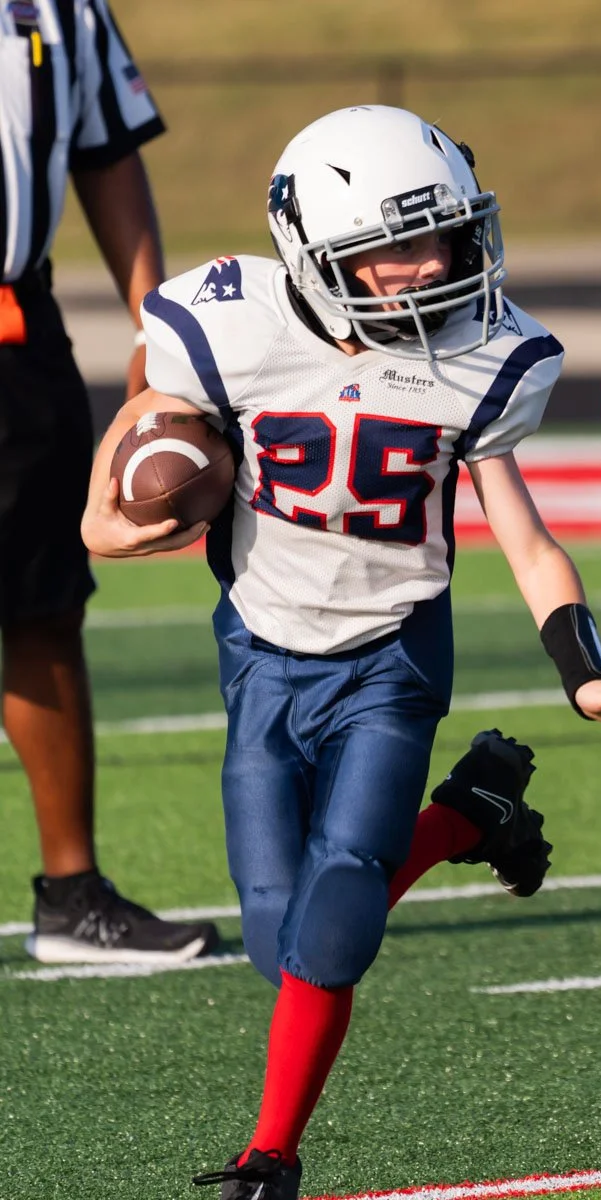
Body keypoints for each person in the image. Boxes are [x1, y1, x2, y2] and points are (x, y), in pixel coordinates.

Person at [79, 105, 601, 1200]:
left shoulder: (484, 359)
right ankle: (469, 817)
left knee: (336, 922)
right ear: (313, 255)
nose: (433, 267)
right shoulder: (231, 325)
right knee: (279, 939)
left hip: (392, 662)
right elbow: (142, 429)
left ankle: (271, 1157)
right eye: (395, 248)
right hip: (261, 653)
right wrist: (110, 515)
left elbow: (529, 539)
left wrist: (581, 668)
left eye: (444, 238)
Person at [0, 0, 219, 962]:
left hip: (16, 329)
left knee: (43, 607)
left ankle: (72, 893)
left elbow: (107, 150)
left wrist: (148, 323)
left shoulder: (64, 5)